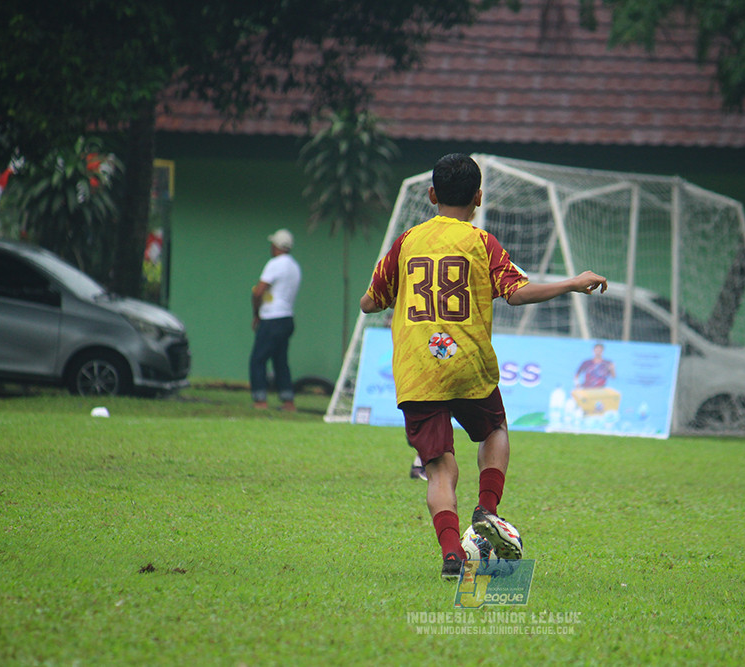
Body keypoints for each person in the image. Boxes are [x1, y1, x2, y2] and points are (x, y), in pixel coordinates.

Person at [359, 153, 608, 580]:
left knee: (440, 469)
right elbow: (517, 292)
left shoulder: (406, 242)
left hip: (419, 371)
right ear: (478, 198)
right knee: (494, 431)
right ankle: (487, 511)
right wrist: (570, 282)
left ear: (432, 194)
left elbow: (368, 303)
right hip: (468, 364)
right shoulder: (481, 242)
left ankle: (452, 553)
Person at [250, 228, 302, 411]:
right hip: (287, 319)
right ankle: (288, 401)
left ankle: (260, 400)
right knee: (280, 360)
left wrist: (256, 313)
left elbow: (259, 291)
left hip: (271, 318)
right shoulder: (294, 267)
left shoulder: (275, 264)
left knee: (258, 359)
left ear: (277, 246)